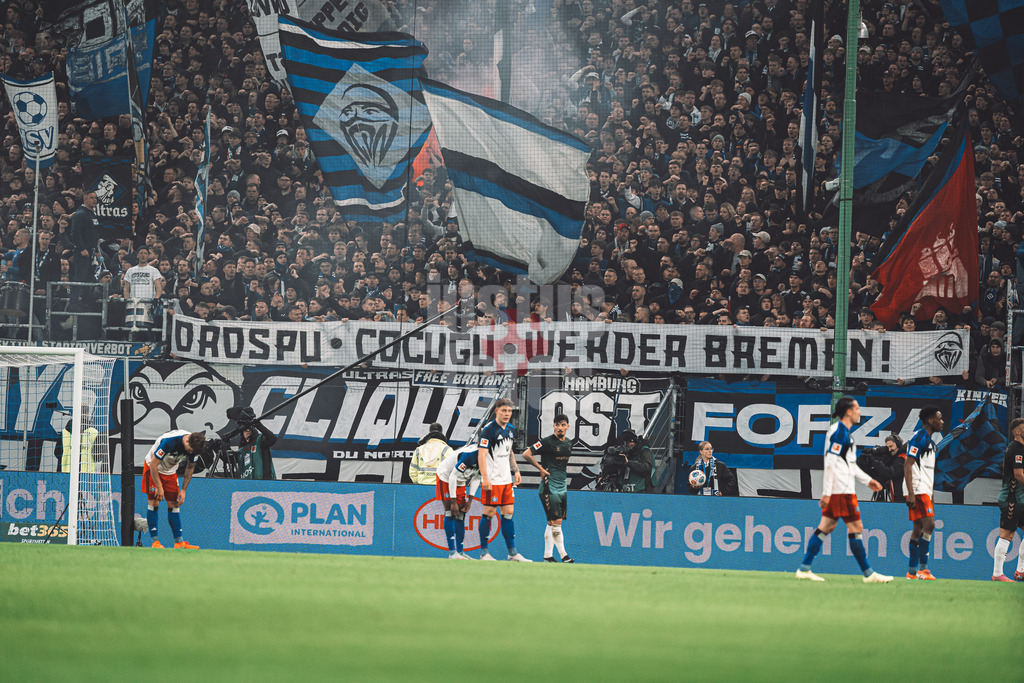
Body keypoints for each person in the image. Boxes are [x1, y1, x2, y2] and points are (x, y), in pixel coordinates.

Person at [796, 397, 893, 583]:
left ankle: (804, 568)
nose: (859, 412)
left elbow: (850, 464)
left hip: (840, 489)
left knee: (826, 527)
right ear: (848, 412)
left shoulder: (844, 434)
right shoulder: (839, 432)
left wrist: (868, 480)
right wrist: (826, 492)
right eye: (856, 408)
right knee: (855, 527)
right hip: (841, 491)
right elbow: (831, 463)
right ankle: (868, 574)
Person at [477, 398, 530, 561]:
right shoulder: (488, 430)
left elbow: (510, 452)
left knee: (508, 513)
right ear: (496, 411)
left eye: (509, 411)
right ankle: (484, 553)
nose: (507, 414)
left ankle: (512, 553)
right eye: (504, 411)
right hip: (492, 480)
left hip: (506, 480)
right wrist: (485, 478)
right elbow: (482, 454)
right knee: (489, 513)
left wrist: (516, 470)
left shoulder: (511, 429)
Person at [522, 413, 575, 563]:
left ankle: (547, 556)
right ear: (553, 426)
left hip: (562, 486)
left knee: (553, 522)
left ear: (567, 427)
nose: (560, 428)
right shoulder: (546, 442)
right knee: (556, 523)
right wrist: (540, 468)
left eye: (563, 425)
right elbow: (526, 454)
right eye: (557, 425)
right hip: (548, 486)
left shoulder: (569, 443)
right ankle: (564, 556)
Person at [142, 430, 206, 549]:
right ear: (187, 441)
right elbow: (154, 464)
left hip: (170, 471)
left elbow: (190, 467)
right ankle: (155, 542)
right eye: (190, 450)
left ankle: (179, 542)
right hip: (153, 468)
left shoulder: (195, 446)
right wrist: (159, 487)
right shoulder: (169, 442)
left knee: (174, 504)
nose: (190, 453)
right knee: (154, 503)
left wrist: (183, 490)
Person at [902, 405, 944, 580]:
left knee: (918, 528)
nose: (942, 422)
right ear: (929, 420)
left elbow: (928, 470)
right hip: (917, 489)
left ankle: (912, 572)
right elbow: (908, 464)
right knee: (930, 525)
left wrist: (931, 494)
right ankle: (923, 570)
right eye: (939, 418)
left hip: (924, 489)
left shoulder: (930, 441)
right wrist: (911, 493)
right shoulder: (919, 438)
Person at [434, 443, 481, 559]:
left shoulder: (489, 457)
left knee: (461, 514)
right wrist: (453, 502)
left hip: (461, 479)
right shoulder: (469, 455)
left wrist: (470, 500)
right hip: (446, 476)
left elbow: (477, 478)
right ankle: (452, 553)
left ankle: (460, 552)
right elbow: (452, 477)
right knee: (450, 511)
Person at [992, 417, 1024, 581]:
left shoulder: (1020, 449)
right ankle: (997, 574)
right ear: (1018, 432)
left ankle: (1021, 571)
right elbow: (1019, 476)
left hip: (1020, 499)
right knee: (1007, 535)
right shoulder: (1016, 448)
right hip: (1011, 498)